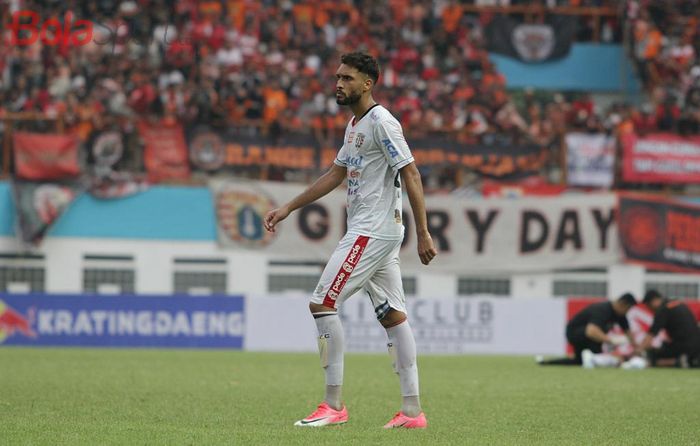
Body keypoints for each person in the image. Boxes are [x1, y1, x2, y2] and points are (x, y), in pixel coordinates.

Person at [263, 52, 437, 429]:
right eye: (337, 77)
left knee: (322, 302)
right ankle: (412, 412)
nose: (338, 84)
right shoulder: (355, 125)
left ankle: (333, 404)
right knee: (393, 315)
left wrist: (424, 231)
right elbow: (335, 174)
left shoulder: (383, 123)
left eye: (346, 78)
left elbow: (412, 173)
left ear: (367, 83)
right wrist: (289, 207)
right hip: (376, 229)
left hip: (372, 229)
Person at [538, 293, 638, 366]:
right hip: (576, 333)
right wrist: (611, 340)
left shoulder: (620, 315)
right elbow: (591, 331)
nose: (627, 312)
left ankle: (546, 363)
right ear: (622, 304)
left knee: (580, 361)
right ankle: (593, 358)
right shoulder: (603, 310)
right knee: (596, 358)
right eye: (628, 309)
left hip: (589, 337)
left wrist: (638, 349)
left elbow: (628, 333)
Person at [640, 290, 700, 368]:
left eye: (648, 306)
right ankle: (688, 360)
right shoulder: (680, 303)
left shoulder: (663, 310)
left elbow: (651, 335)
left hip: (681, 346)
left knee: (652, 353)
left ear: (654, 301)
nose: (650, 309)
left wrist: (638, 351)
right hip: (697, 346)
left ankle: (675, 362)